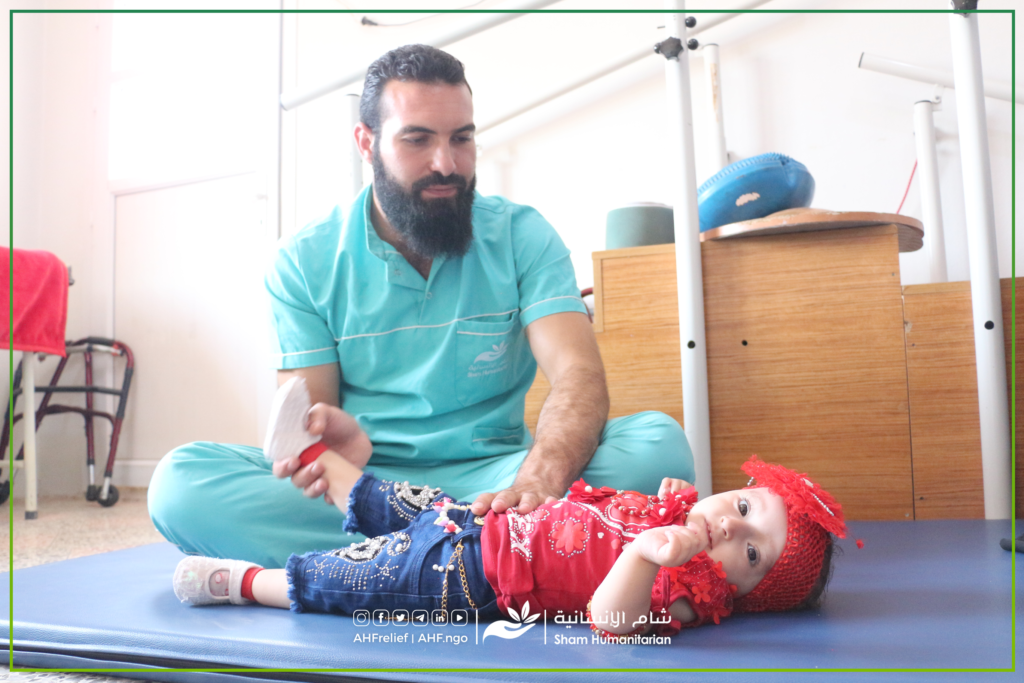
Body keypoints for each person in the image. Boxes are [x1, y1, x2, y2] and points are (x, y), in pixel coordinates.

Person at [148, 44, 693, 569]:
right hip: (368, 489)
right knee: (180, 484)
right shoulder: (303, 260)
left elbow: (578, 373)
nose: (446, 164)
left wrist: (537, 482)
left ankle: (407, 556)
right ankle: (502, 551)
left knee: (657, 445)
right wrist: (335, 451)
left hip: (498, 480)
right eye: (417, 140)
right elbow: (310, 439)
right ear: (366, 142)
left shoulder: (523, 235)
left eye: (462, 138)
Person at [172, 379, 846, 640]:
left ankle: (244, 582)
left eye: (751, 550)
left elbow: (611, 619)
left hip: (473, 578)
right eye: (745, 504)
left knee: (362, 575)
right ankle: (314, 455)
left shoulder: (690, 587)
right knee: (393, 500)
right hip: (487, 515)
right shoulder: (683, 510)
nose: (729, 523)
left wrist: (645, 554)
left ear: (744, 592)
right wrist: (660, 505)